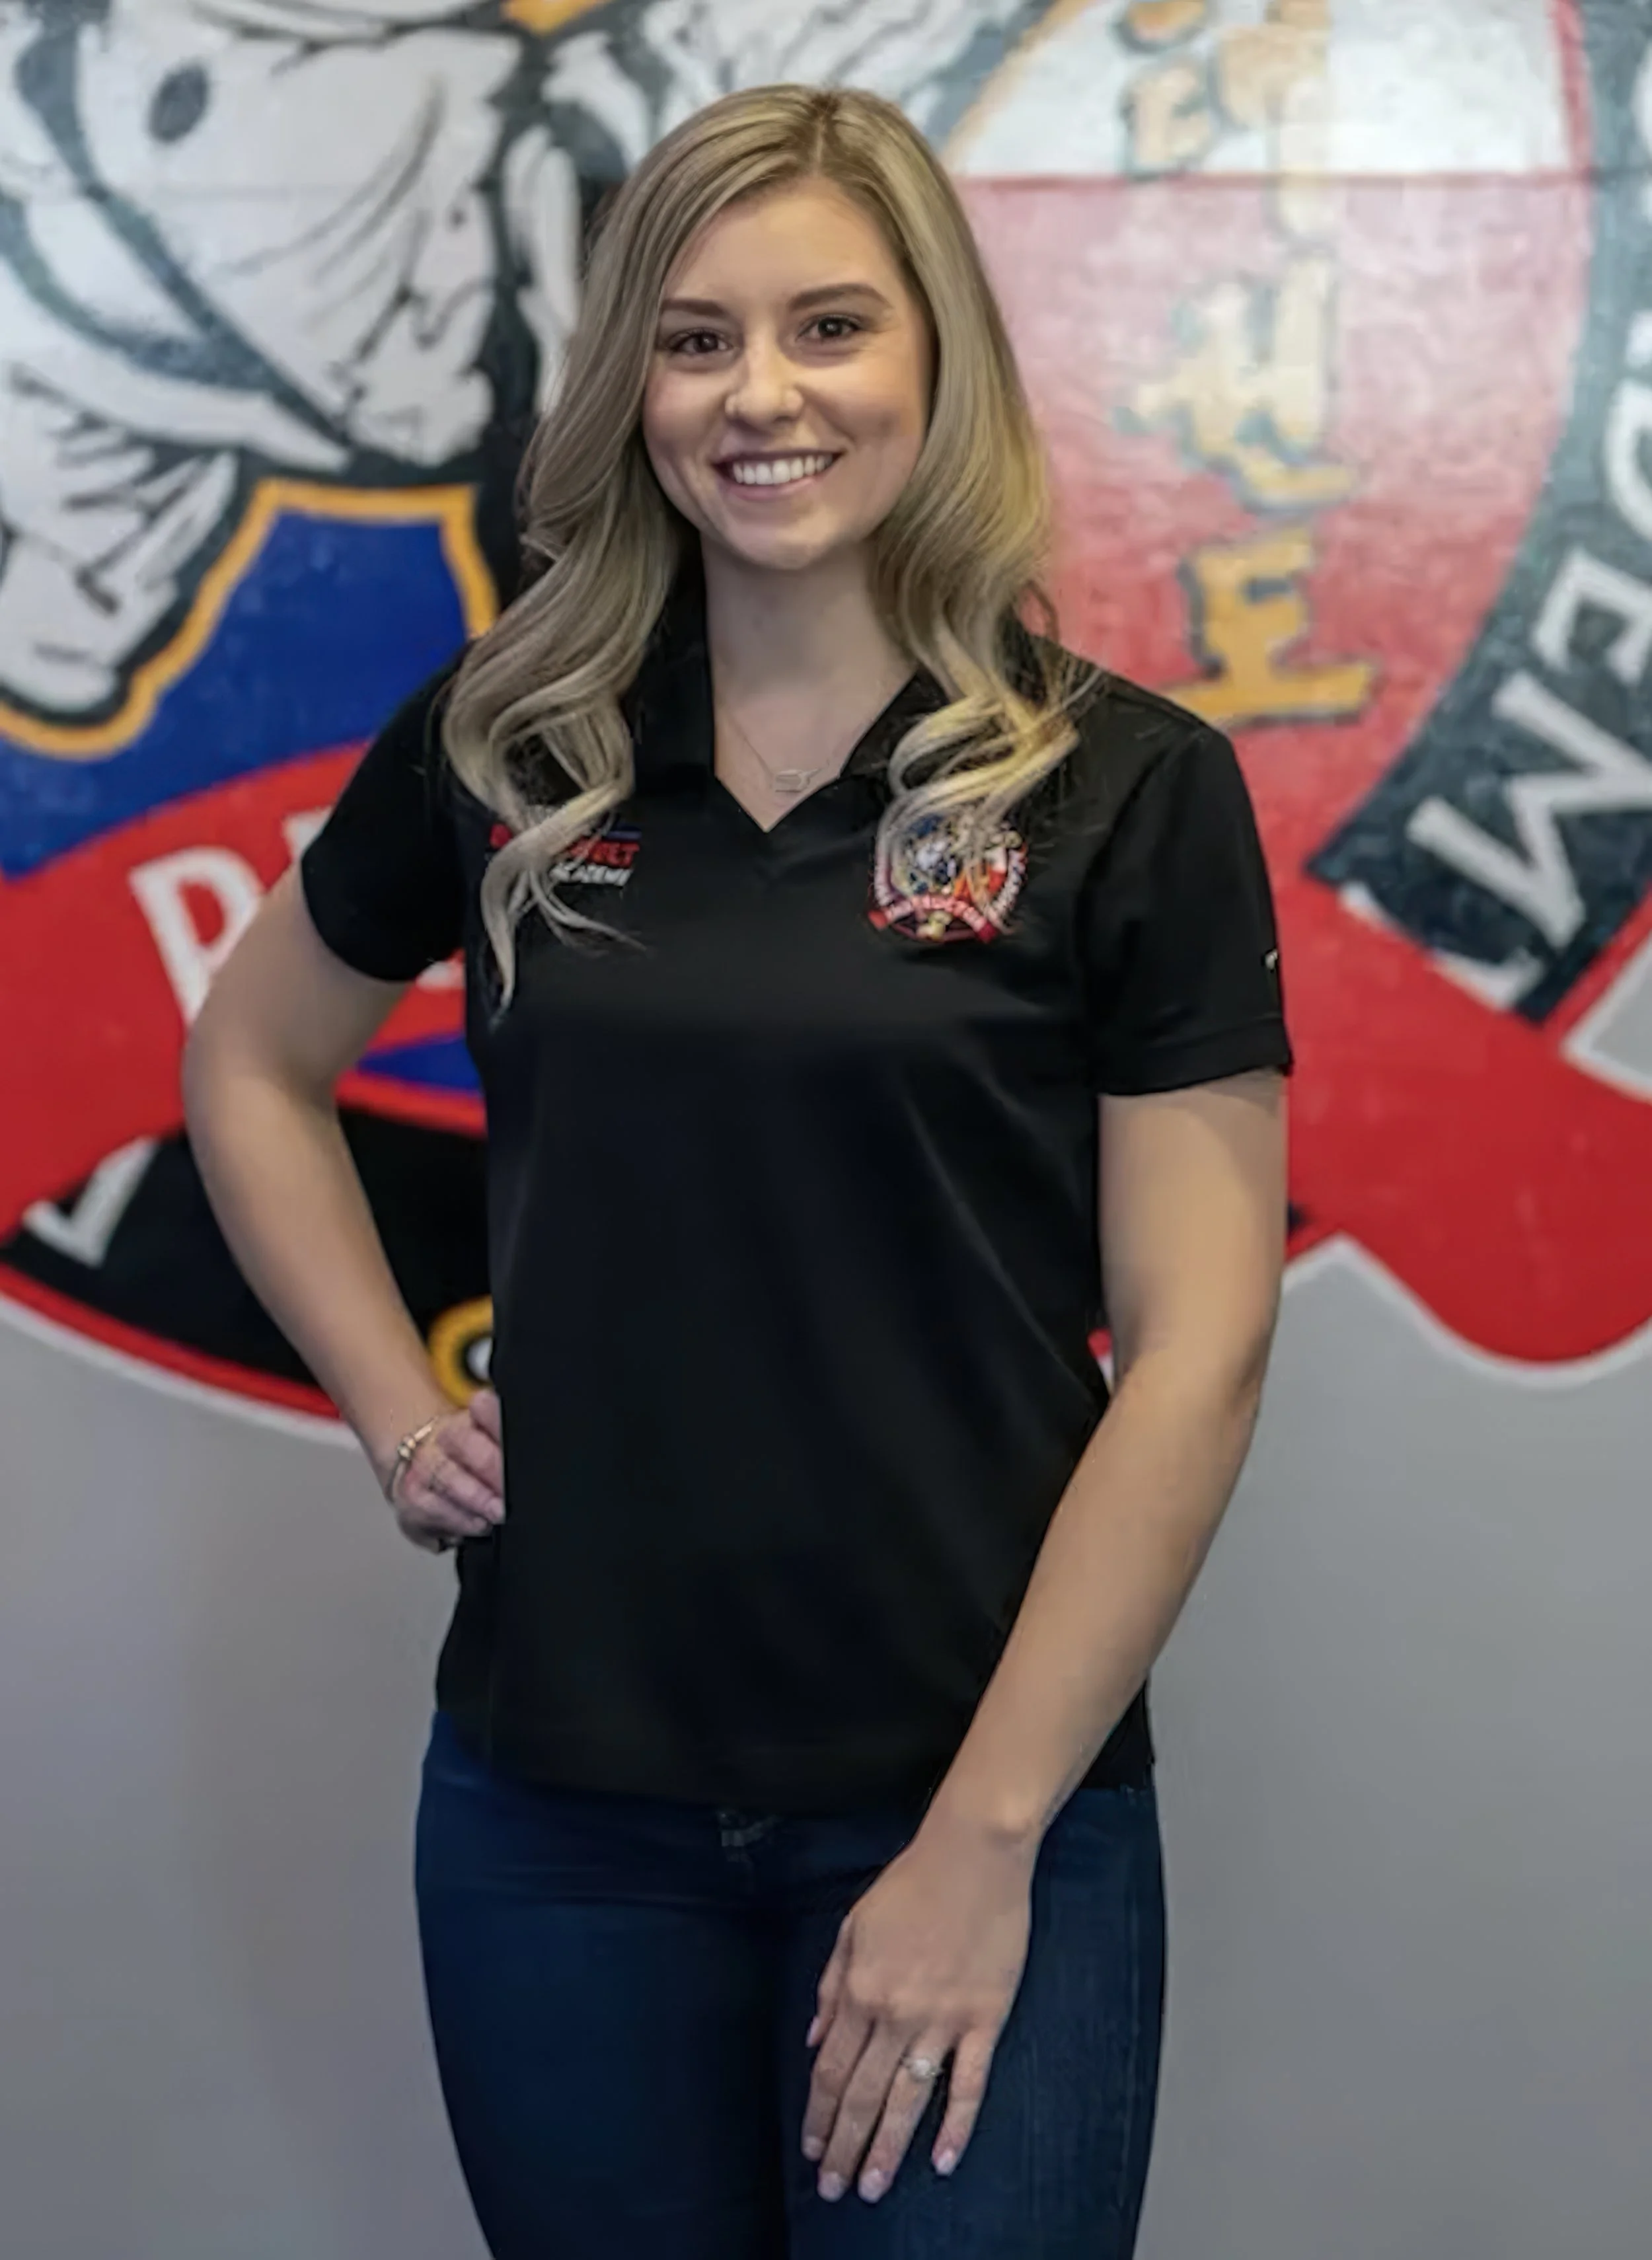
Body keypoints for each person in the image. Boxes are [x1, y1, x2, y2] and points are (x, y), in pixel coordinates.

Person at [182, 81, 1291, 2260]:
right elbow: (253, 1061)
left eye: (827, 328)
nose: (760, 395)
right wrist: (397, 1407)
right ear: (630, 388)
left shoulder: (1123, 791)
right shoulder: (509, 748)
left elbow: (1198, 1350)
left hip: (979, 1798)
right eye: (693, 339)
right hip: (555, 1808)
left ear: (933, 364)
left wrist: (980, 1842)